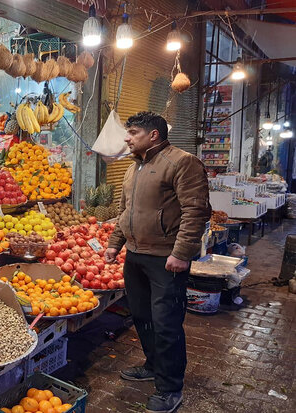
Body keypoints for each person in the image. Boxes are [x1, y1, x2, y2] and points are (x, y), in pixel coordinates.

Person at [105, 112, 211, 413]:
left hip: (166, 258)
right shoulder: (133, 168)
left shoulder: (181, 162)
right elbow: (124, 212)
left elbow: (196, 212)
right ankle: (152, 365)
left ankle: (169, 388)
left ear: (153, 135)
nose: (127, 137)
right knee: (142, 316)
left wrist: (181, 253)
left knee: (166, 324)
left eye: (133, 132)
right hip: (136, 255)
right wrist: (115, 245)